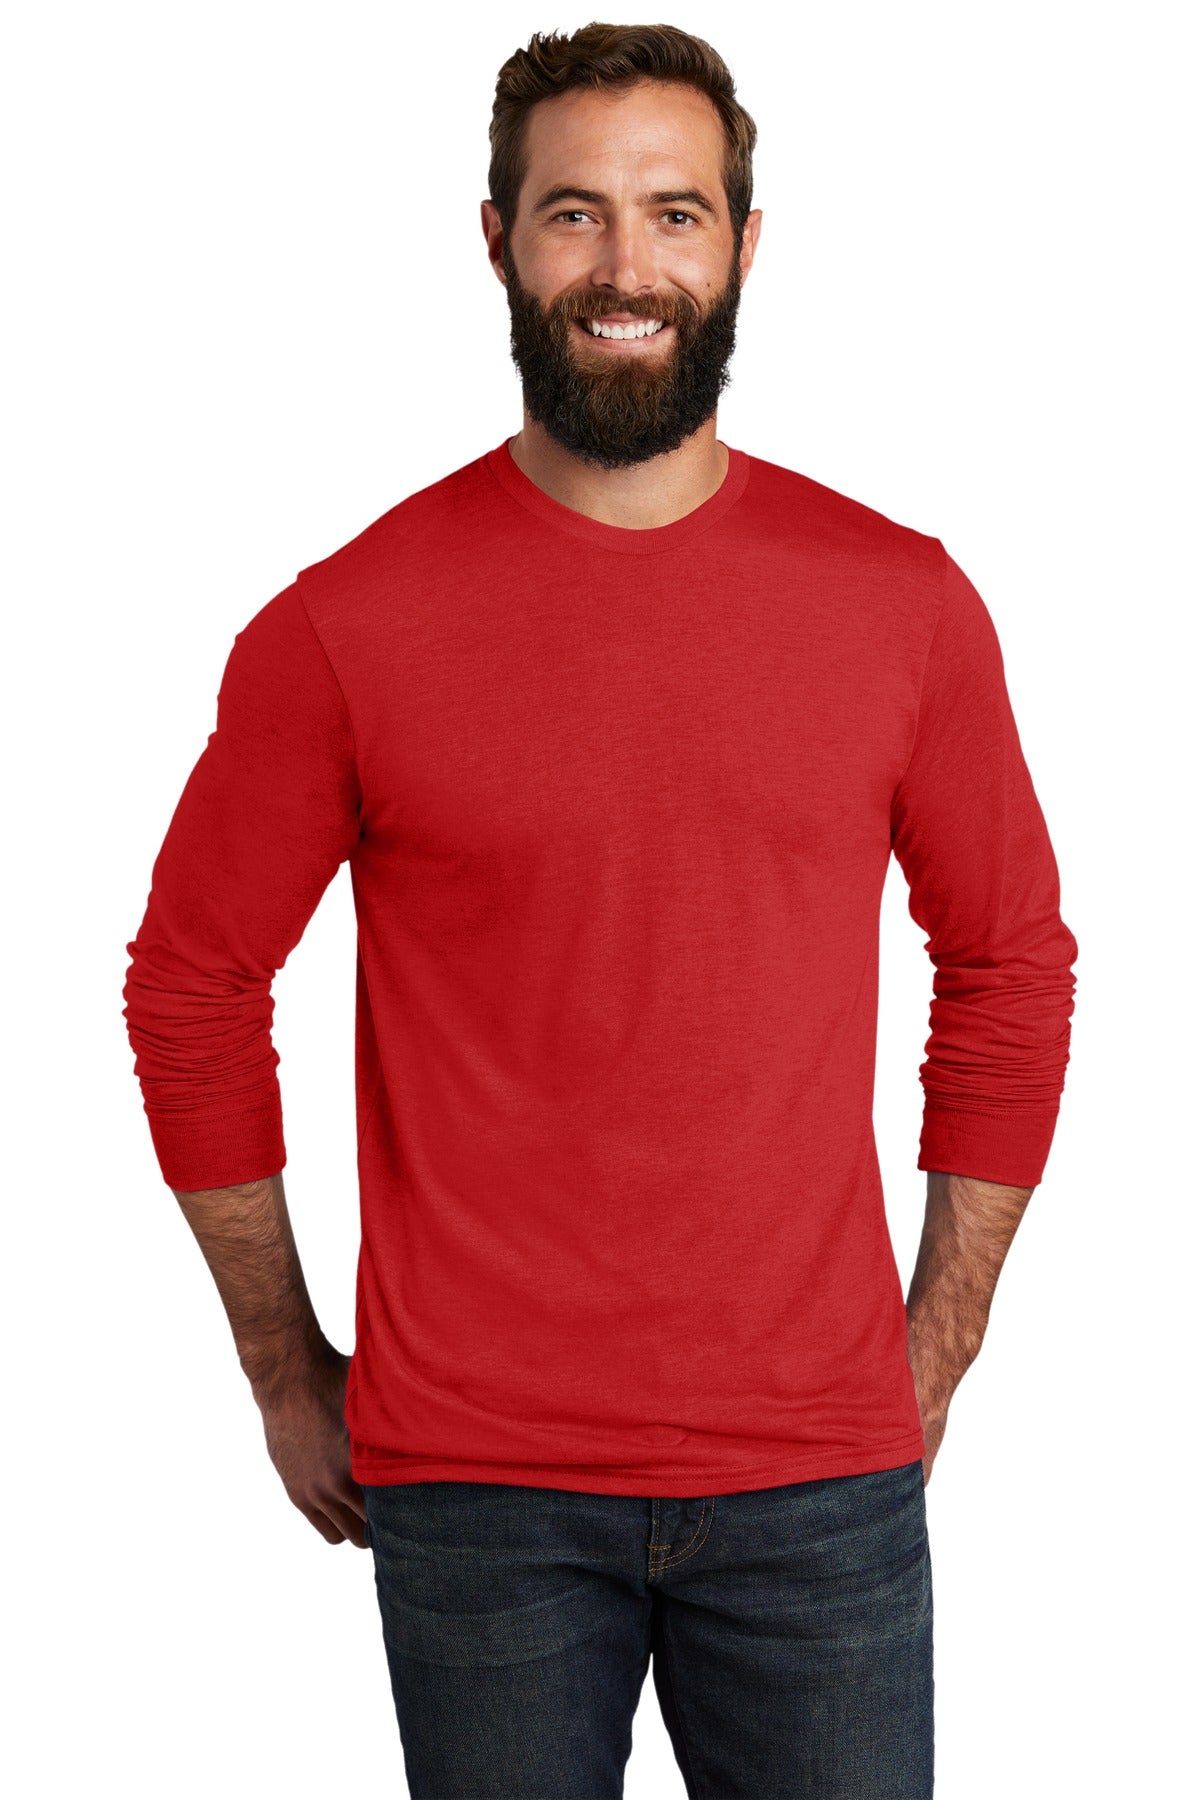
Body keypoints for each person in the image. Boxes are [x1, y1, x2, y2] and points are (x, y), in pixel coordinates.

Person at [122, 22, 1078, 1799]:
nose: (627, 267)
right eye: (575, 214)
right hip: (475, 1482)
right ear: (496, 239)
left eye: (675, 214)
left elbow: (1011, 963)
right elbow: (191, 984)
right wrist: (280, 1365)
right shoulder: (345, 627)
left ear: (745, 245)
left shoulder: (905, 608)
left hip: (818, 1475)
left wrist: (938, 1342)